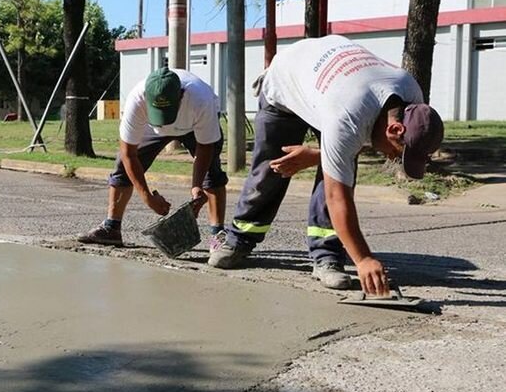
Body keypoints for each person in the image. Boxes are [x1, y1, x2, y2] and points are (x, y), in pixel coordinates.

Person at [208, 35, 444, 297]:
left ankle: (327, 255)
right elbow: (337, 196)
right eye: (397, 153)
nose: (392, 159)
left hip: (331, 86)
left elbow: (358, 143)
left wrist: (317, 155)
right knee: (272, 169)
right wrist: (363, 259)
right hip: (286, 85)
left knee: (339, 167)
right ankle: (239, 238)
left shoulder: (413, 97)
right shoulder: (348, 114)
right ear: (395, 129)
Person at [78, 67, 228, 251]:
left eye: (167, 113)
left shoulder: (201, 99)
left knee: (212, 172)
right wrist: (148, 198)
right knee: (122, 167)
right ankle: (111, 228)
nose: (165, 121)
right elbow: (128, 154)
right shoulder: (136, 99)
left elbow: (205, 147)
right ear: (147, 99)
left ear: (181, 95)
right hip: (152, 128)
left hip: (194, 125)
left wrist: (196, 186)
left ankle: (217, 236)